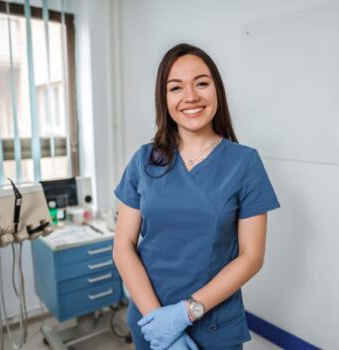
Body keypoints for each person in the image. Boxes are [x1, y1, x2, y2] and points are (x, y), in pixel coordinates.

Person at [113, 43, 280, 350]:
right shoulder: (143, 161)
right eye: (176, 87)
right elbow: (123, 246)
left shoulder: (244, 163)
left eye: (201, 83)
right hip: (151, 325)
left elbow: (252, 256)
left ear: (217, 90)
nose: (190, 97)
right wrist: (161, 322)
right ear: (164, 98)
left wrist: (184, 314)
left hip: (214, 327)